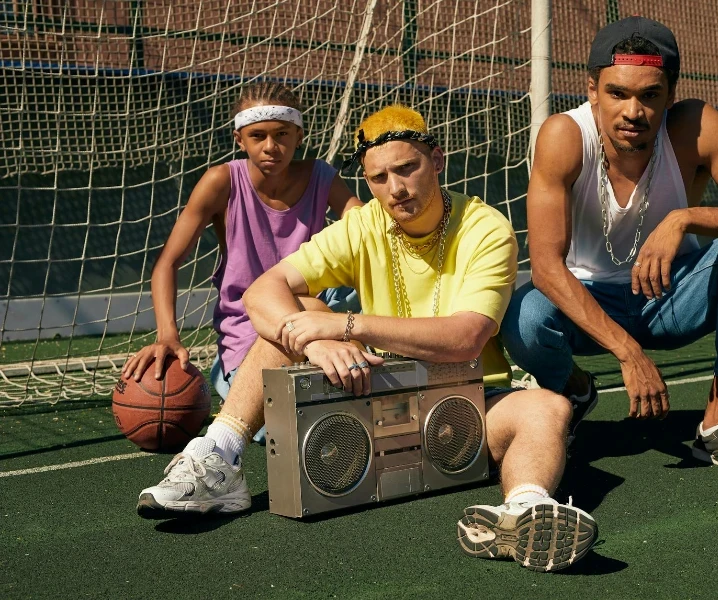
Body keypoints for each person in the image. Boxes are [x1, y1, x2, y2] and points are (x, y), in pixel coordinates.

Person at [137, 105, 598, 573]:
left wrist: (346, 326)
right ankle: (220, 458)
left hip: (465, 401)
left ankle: (523, 510)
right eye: (378, 178)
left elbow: (465, 337)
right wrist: (313, 341)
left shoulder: (485, 228)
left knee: (548, 408)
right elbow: (262, 291)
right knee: (298, 317)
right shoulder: (363, 224)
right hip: (376, 397)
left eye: (407, 168)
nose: (395, 189)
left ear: (436, 160)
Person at [500, 16, 718, 479]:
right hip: (589, 299)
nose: (633, 111)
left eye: (649, 95)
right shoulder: (564, 136)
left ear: (670, 95)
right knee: (524, 317)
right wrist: (628, 354)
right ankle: (575, 390)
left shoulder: (694, 127)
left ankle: (716, 426)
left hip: (670, 295)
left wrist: (685, 218)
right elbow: (545, 268)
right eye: (617, 93)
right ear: (593, 90)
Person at [121, 81, 362, 443]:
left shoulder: (321, 177)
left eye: (282, 134)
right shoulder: (222, 181)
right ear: (240, 139)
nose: (270, 146)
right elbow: (167, 263)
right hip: (254, 331)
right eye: (258, 135)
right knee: (284, 431)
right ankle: (230, 374)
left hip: (316, 316)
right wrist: (167, 334)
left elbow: (366, 230)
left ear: (299, 134)